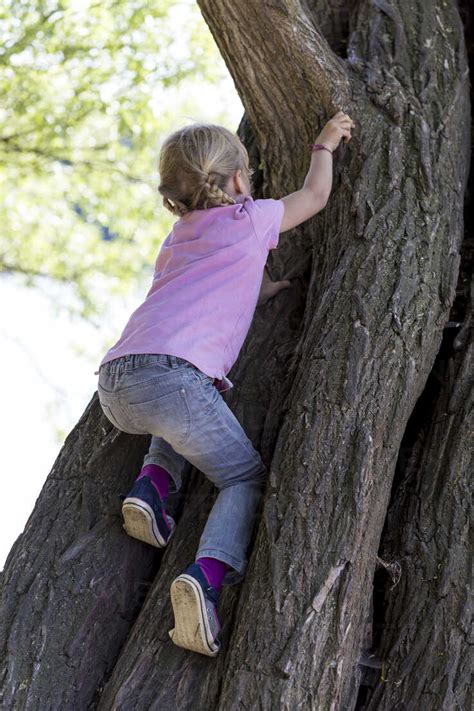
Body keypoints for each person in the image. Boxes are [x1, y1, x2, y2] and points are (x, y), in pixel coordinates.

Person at [95, 112, 354, 657]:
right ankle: (206, 578)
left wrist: (262, 289)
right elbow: (314, 196)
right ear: (238, 181)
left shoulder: (178, 236)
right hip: (174, 379)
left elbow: (199, 285)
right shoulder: (251, 217)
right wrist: (324, 144)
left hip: (118, 382)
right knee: (244, 479)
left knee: (188, 407)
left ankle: (152, 489)